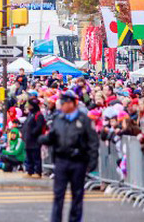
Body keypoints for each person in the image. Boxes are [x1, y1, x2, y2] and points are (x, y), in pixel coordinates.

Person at [39, 90, 99, 222]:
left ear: (71, 103)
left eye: (64, 103)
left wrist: (92, 161)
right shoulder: (58, 119)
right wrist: (42, 139)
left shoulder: (84, 120)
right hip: (61, 160)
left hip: (78, 161)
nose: (61, 105)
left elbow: (93, 141)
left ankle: (75, 219)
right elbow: (53, 136)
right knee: (58, 194)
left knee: (77, 194)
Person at [22, 98, 46, 178]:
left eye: (30, 105)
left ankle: (37, 171)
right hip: (28, 139)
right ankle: (30, 171)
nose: (29, 107)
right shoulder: (30, 114)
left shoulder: (39, 115)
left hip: (35, 140)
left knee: (36, 156)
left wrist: (33, 133)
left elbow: (39, 126)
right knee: (29, 156)